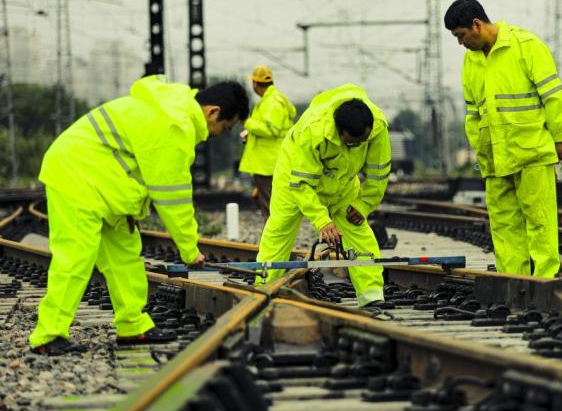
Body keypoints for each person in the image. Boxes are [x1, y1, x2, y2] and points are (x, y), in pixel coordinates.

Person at [29, 75, 250, 355]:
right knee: (76, 257)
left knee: (125, 258)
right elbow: (173, 196)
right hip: (76, 174)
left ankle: (133, 325)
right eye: (224, 126)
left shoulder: (170, 110)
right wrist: (189, 248)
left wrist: (133, 205)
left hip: (105, 182)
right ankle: (48, 335)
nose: (218, 133)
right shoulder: (175, 125)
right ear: (212, 111)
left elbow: (139, 165)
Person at [444, 0, 562, 278]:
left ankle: (545, 280)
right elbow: (473, 113)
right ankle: (513, 280)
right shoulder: (471, 61)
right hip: (495, 158)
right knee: (504, 225)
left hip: (532, 153)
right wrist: (480, 148)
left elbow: (553, 95)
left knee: (540, 221)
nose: (460, 43)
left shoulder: (526, 46)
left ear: (476, 25)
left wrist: (560, 138)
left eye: (461, 36)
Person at [256, 84, 390, 307]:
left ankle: (371, 295)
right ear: (338, 130)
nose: (355, 146)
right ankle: (264, 289)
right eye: (350, 142)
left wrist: (364, 204)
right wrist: (322, 221)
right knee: (280, 229)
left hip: (342, 182)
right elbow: (302, 185)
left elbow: (378, 174)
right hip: (295, 176)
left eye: (360, 143)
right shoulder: (313, 131)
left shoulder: (378, 128)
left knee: (358, 230)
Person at [239, 65, 297, 219]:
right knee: (269, 202)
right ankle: (273, 239)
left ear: (255, 84)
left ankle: (272, 241)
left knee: (270, 206)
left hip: (268, 163)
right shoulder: (271, 100)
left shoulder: (272, 103)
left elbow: (272, 130)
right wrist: (250, 133)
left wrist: (247, 122)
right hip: (269, 161)